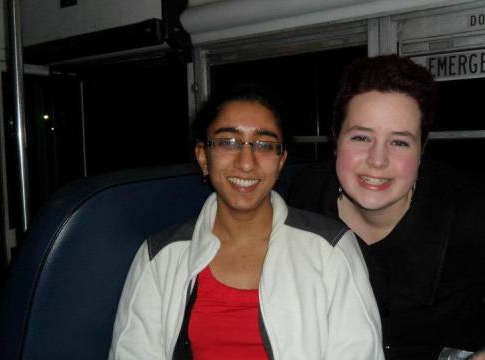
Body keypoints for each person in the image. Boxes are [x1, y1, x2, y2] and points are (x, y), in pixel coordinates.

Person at [288, 55, 485, 359]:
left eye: (399, 142)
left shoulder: (474, 209)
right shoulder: (303, 196)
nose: (377, 160)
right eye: (360, 137)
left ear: (421, 149)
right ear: (336, 140)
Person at [109, 87, 384, 360]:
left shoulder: (331, 249)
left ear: (281, 161)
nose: (246, 163)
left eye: (264, 145)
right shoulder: (159, 257)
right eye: (228, 142)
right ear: (204, 157)